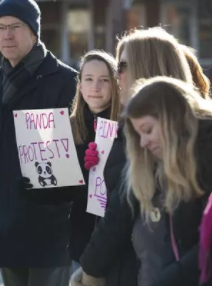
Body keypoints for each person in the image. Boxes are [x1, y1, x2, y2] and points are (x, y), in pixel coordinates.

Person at [71, 27, 194, 286]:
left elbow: (120, 212)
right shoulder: (126, 131)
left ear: (147, 68)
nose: (117, 76)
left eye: (123, 66)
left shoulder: (195, 137)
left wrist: (90, 269)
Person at [0, 0, 78, 285]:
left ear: (34, 32)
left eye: (15, 27)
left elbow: (80, 151)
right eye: (0, 28)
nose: (7, 35)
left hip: (51, 227)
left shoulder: (66, 81)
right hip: (6, 223)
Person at [123, 76, 212, 286]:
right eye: (138, 134)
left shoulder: (206, 154)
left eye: (147, 130)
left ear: (170, 118)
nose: (143, 142)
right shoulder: (178, 159)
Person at [68, 50, 120, 273]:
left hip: (118, 240)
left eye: (104, 80)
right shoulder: (65, 128)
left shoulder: (127, 125)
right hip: (79, 241)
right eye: (88, 79)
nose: (95, 87)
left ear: (115, 85)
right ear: (79, 85)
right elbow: (61, 193)